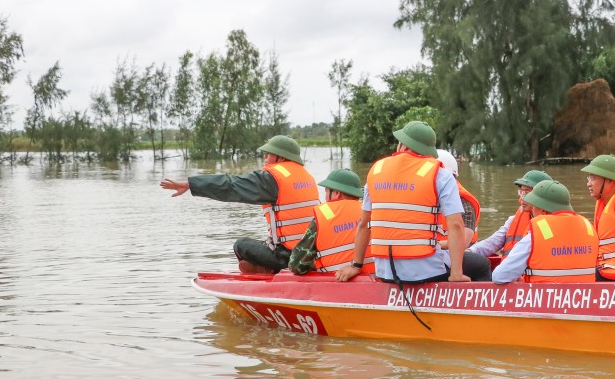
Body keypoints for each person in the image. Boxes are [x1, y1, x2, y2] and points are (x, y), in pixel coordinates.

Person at [335, 121, 492, 284]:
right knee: (482, 265)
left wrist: (356, 265)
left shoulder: (376, 170)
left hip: (384, 271)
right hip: (425, 270)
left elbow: (363, 224)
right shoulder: (440, 174)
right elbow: (456, 226)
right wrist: (456, 274)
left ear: (402, 145)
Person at [160, 135, 319, 274]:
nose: (265, 158)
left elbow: (232, 185)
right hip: (312, 252)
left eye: (267, 154)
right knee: (265, 242)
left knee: (241, 246)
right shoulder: (307, 177)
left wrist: (191, 184)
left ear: (280, 158)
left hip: (289, 255)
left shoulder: (273, 178)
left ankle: (271, 271)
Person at [491, 180, 599, 284]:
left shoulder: (539, 231)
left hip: (545, 299)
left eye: (533, 205)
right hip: (584, 299)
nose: (532, 209)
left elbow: (500, 276)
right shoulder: (588, 226)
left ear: (542, 209)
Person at [287, 169, 375, 275]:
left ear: (336, 193)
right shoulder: (369, 212)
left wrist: (315, 264)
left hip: (337, 281)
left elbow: (297, 265)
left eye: (327, 191)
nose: (325, 196)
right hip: (373, 278)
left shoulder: (324, 214)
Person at [468, 169, 552, 259]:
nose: (522, 197)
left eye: (527, 192)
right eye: (521, 192)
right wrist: (470, 251)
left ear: (542, 196)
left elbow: (549, 248)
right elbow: (493, 242)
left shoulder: (547, 224)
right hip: (511, 270)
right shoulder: (513, 220)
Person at [435, 149, 480, 249]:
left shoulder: (465, 204)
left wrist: (432, 245)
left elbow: (463, 242)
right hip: (428, 252)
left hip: (457, 253)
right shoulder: (424, 198)